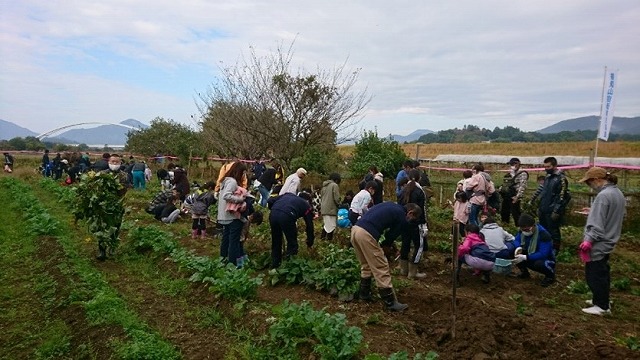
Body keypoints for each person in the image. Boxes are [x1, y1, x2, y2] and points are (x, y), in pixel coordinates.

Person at [351, 202, 422, 311]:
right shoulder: (401, 216)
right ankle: (390, 302)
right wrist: (387, 247)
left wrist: (389, 245)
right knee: (381, 266)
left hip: (356, 229)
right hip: (366, 233)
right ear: (410, 213)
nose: (411, 221)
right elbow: (391, 235)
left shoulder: (392, 206)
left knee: (366, 264)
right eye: (413, 219)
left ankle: (363, 294)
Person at [578, 167, 626, 316]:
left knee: (594, 274)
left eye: (589, 182)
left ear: (597, 180)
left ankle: (602, 306)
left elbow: (597, 224)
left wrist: (588, 240)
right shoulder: (617, 193)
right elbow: (615, 214)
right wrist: (592, 210)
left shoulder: (603, 196)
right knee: (603, 271)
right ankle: (600, 298)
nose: (589, 186)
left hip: (599, 242)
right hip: (610, 238)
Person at [528, 156, 571, 253]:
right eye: (545, 167)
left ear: (555, 166)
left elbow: (562, 196)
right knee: (543, 230)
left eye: (548, 166)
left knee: (554, 230)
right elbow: (543, 193)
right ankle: (543, 248)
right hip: (544, 208)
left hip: (552, 210)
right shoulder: (547, 178)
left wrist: (557, 210)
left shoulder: (561, 179)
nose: (546, 169)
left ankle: (555, 250)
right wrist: (539, 206)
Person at [267, 192, 315, 268]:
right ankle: (290, 265)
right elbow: (309, 225)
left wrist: (273, 209)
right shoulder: (306, 205)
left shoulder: (287, 195)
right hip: (287, 216)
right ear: (307, 200)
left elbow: (270, 200)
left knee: (276, 240)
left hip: (273, 214)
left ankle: (275, 264)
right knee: (292, 242)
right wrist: (310, 241)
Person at [397, 169, 428, 279]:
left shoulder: (402, 190)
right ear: (419, 178)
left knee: (405, 244)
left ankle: (403, 269)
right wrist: (424, 224)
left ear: (408, 177)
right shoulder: (420, 191)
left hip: (404, 222)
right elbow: (422, 210)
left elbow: (399, 206)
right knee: (418, 246)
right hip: (416, 223)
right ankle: (413, 272)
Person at [217, 162, 248, 267]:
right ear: (238, 172)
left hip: (223, 215)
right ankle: (233, 264)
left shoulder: (224, 181)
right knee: (234, 241)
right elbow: (227, 196)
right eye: (243, 173)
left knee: (226, 238)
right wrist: (240, 200)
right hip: (232, 216)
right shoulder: (232, 182)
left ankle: (223, 259)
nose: (243, 175)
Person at [512, 214, 556, 287]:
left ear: (533, 225)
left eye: (527, 230)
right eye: (523, 230)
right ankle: (524, 272)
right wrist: (518, 248)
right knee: (513, 253)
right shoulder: (521, 232)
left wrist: (525, 257)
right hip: (529, 254)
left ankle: (550, 276)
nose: (525, 232)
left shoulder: (544, 235)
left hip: (545, 259)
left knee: (539, 264)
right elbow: (516, 240)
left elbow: (543, 254)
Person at [500, 158, 529, 225]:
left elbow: (522, 186)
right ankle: (505, 224)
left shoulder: (523, 173)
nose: (512, 166)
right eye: (511, 164)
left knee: (515, 213)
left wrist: (517, 197)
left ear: (518, 164)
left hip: (515, 195)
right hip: (508, 194)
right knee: (505, 211)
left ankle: (519, 226)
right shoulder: (511, 172)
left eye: (513, 164)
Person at [320, 173, 341, 241]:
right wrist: (339, 204)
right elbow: (336, 198)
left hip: (324, 209)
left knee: (327, 225)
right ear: (336, 180)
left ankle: (323, 241)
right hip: (331, 209)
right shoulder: (334, 185)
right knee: (331, 226)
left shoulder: (324, 186)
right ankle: (328, 241)